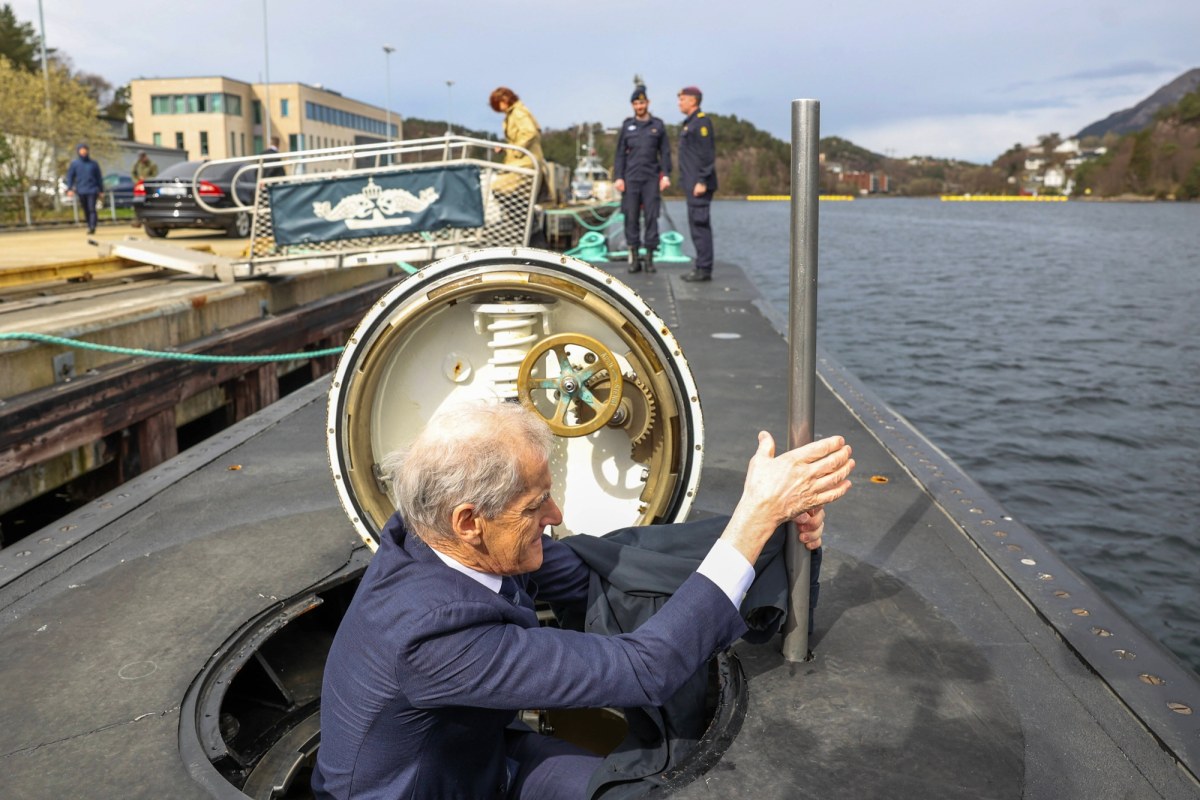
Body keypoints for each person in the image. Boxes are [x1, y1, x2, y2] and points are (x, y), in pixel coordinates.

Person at [313, 401, 854, 799]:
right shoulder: (431, 637)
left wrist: (771, 529)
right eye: (535, 505)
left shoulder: (428, 535)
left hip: (480, 760)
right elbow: (647, 669)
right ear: (469, 522)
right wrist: (752, 519)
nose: (554, 516)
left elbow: (604, 569)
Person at [614, 85, 671, 274]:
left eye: (642, 102)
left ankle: (650, 258)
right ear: (633, 105)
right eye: (636, 103)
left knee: (652, 218)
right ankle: (635, 258)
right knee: (631, 218)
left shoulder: (657, 126)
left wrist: (666, 175)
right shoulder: (627, 126)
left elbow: (665, 152)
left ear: (648, 103)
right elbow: (620, 154)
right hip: (630, 179)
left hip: (651, 179)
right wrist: (618, 177)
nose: (639, 106)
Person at [677, 87, 718, 283]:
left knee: (700, 226)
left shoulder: (701, 123)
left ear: (693, 101)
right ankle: (701, 265)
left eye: (682, 99)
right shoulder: (690, 123)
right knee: (695, 226)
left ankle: (704, 268)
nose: (679, 103)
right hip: (692, 184)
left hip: (699, 185)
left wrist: (702, 180)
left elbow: (707, 154)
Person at [64, 143, 103, 235]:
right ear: (78, 151)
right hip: (81, 190)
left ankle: (92, 226)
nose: (83, 152)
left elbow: (99, 178)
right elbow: (70, 176)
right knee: (85, 209)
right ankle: (89, 224)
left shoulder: (93, 164)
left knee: (91, 208)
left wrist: (101, 190)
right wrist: (70, 188)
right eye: (81, 150)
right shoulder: (75, 164)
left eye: (85, 150)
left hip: (92, 189)